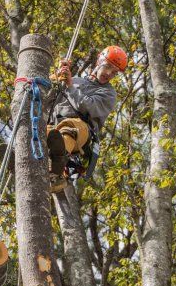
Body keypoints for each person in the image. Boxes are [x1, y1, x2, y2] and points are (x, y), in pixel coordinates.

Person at [47, 45, 127, 192]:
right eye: (108, 66)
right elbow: (48, 102)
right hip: (54, 127)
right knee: (41, 132)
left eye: (114, 72)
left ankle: (56, 168)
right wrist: (56, 79)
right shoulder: (76, 80)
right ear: (99, 62)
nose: (109, 73)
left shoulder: (108, 94)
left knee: (68, 127)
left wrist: (70, 86)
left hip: (81, 129)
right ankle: (26, 157)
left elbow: (88, 107)